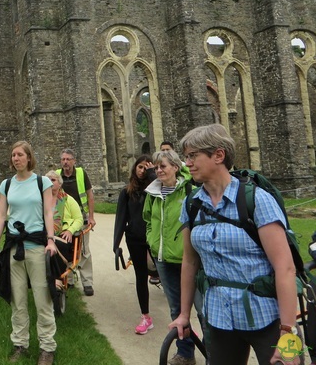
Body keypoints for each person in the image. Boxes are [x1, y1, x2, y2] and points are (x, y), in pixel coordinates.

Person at [170, 124, 300, 365]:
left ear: (218, 155)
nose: (187, 163)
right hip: (219, 319)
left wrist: (288, 334)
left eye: (193, 155)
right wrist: (184, 314)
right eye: (186, 156)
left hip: (267, 318)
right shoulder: (191, 204)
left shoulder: (257, 200)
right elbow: (189, 262)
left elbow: (285, 268)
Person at [0, 140, 57, 365]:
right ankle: (20, 343)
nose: (15, 158)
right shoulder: (6, 185)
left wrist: (50, 240)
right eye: (13, 155)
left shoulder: (42, 182)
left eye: (19, 155)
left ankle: (47, 347)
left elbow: (48, 212)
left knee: (42, 298)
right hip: (14, 248)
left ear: (29, 157)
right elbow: (1, 215)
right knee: (17, 299)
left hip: (36, 246)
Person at [143, 149, 200, 365]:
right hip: (164, 260)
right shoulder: (153, 193)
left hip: (190, 260)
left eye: (163, 166)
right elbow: (148, 220)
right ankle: (185, 353)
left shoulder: (189, 190)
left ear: (176, 167)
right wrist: (152, 242)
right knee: (176, 309)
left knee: (203, 310)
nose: (159, 170)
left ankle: (214, 354)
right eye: (156, 167)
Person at [112, 155, 157, 335]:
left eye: (145, 167)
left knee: (164, 272)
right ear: (134, 169)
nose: (142, 170)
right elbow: (121, 218)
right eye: (139, 167)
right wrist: (116, 244)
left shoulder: (155, 190)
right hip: (135, 239)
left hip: (154, 238)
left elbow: (163, 192)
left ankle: (178, 311)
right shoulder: (127, 192)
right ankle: (145, 316)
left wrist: (153, 173)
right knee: (141, 276)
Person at [57, 148, 96, 296]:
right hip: (64, 221)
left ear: (74, 161)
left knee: (84, 251)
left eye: (68, 159)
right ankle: (70, 280)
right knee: (66, 249)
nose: (65, 162)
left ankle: (87, 283)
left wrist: (91, 217)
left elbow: (89, 195)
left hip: (82, 217)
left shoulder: (81, 173)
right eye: (63, 160)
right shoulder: (57, 175)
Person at [45, 170, 83, 282]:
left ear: (60, 183)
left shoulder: (68, 200)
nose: (50, 183)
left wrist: (70, 231)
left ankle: (57, 278)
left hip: (62, 235)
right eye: (48, 180)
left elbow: (79, 219)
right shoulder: (40, 200)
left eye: (53, 180)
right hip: (44, 234)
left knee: (59, 245)